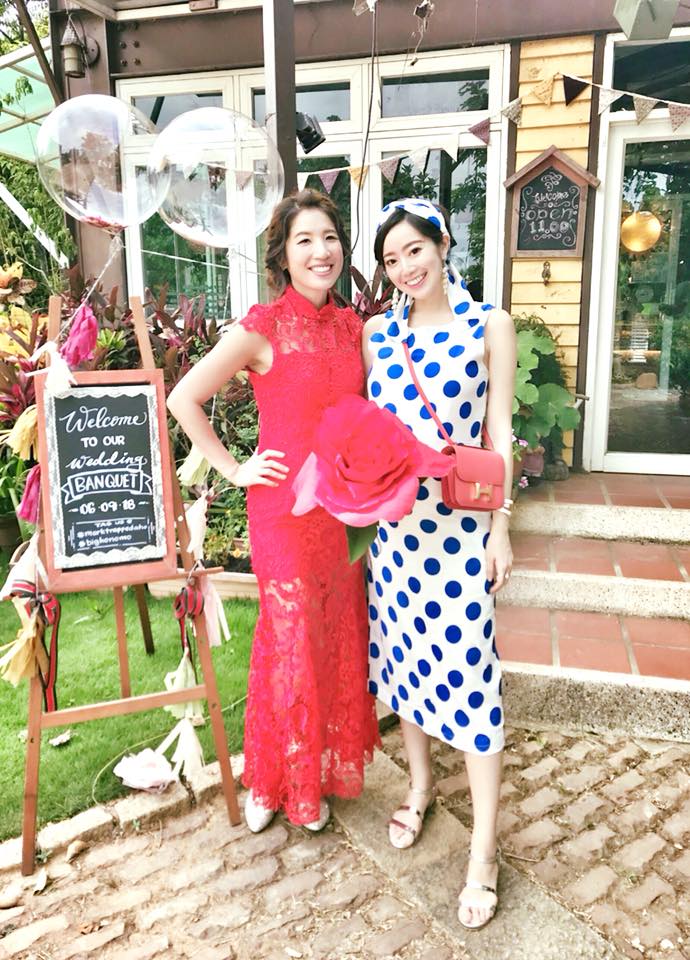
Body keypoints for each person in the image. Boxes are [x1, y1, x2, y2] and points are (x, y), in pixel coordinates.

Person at [168, 189, 379, 833]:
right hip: (283, 510)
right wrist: (234, 468)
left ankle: (316, 771)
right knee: (288, 641)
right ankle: (272, 779)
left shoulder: (354, 328)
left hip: (341, 509)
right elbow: (183, 398)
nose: (321, 251)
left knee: (333, 633)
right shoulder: (262, 327)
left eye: (330, 238)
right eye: (304, 240)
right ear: (283, 256)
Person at [363, 198, 515, 930]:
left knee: (473, 678)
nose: (405, 268)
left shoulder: (490, 325)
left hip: (460, 531)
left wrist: (501, 527)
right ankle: (420, 786)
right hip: (395, 534)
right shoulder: (377, 334)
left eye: (415, 250)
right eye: (391, 259)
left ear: (444, 243)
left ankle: (483, 850)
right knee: (404, 664)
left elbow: (500, 430)